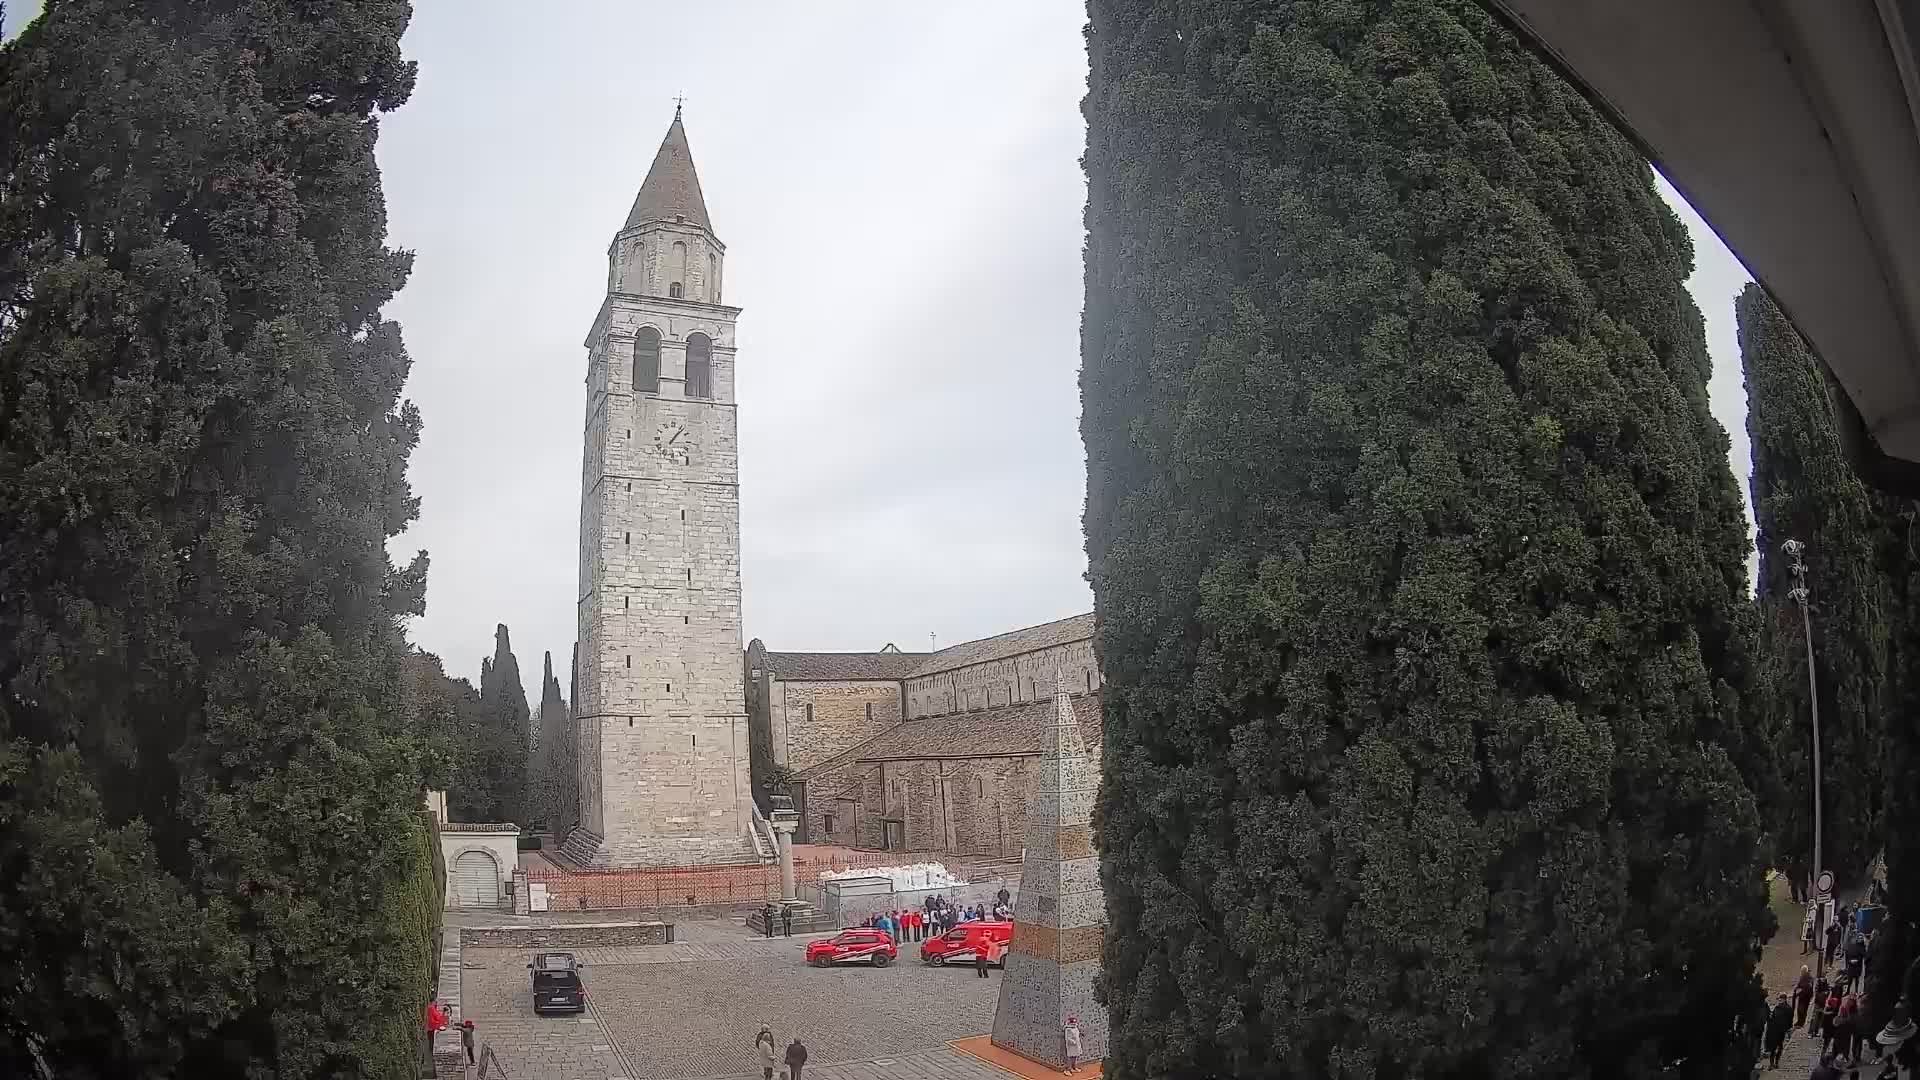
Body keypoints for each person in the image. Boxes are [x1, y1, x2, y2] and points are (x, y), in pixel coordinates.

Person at [1765, 993, 1793, 1069]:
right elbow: (1773, 1018)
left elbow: (1790, 1021)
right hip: (1775, 1030)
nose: (1779, 1000)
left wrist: (1789, 1031)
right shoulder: (1777, 1008)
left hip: (1781, 1031)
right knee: (1774, 1047)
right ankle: (1772, 1063)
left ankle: (1776, 1062)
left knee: (1779, 1047)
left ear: (1784, 999)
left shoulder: (1788, 1009)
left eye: (1780, 998)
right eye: (1779, 998)